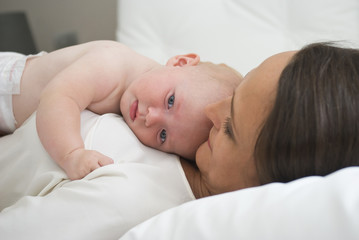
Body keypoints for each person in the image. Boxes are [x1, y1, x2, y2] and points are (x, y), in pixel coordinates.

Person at [0, 40, 242, 180]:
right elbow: (58, 98)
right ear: (180, 62)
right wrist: (72, 154)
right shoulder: (112, 65)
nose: (152, 118)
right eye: (170, 101)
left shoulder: (136, 97)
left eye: (163, 135)